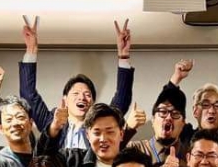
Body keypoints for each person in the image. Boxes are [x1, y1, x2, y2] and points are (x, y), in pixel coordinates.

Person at [19, 16, 134, 149]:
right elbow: (28, 94)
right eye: (76, 94)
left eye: (87, 94)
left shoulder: (99, 124)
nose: (82, 98)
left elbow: (122, 99)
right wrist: (31, 50)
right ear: (65, 100)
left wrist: (123, 56)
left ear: (93, 102)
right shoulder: (51, 120)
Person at [127, 85, 189, 167]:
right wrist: (128, 129)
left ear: (183, 123)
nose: (168, 117)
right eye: (163, 112)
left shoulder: (191, 156)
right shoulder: (134, 149)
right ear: (153, 120)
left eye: (175, 114)